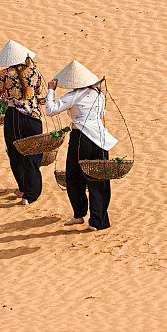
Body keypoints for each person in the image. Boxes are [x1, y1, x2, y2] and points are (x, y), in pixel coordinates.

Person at [45, 60, 117, 231]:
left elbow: (50, 110)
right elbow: (101, 114)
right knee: (99, 178)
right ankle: (98, 220)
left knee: (74, 176)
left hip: (81, 138)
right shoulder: (99, 94)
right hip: (100, 139)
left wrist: (50, 91)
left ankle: (79, 213)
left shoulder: (73, 96)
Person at [0, 40, 47, 205]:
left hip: (14, 118)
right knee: (33, 154)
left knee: (15, 153)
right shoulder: (34, 71)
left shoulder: (4, 74)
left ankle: (23, 188)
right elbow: (39, 91)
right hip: (33, 117)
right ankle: (30, 194)